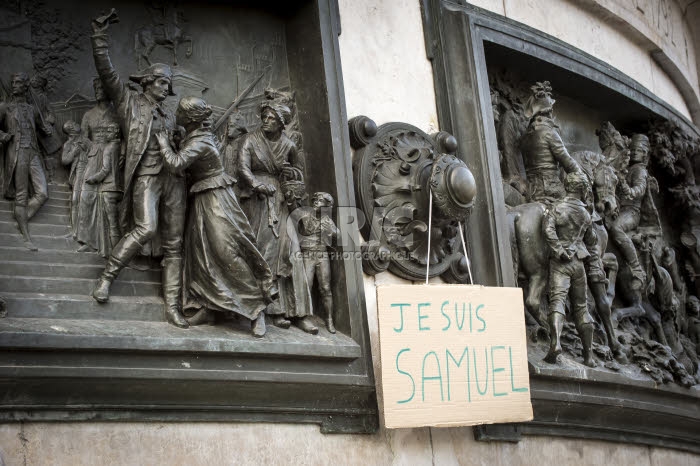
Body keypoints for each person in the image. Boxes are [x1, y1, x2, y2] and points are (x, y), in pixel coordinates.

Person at [89, 14, 188, 328]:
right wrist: (100, 36)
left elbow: (178, 143)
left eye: (168, 84)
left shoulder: (170, 114)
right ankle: (107, 277)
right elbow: (107, 72)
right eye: (161, 82)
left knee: (174, 244)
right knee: (145, 228)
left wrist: (178, 140)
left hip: (174, 180)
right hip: (146, 176)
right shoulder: (128, 102)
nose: (166, 88)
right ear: (147, 81)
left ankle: (172, 308)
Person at [155, 96, 277, 337]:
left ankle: (256, 308)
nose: (176, 114)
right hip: (203, 198)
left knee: (225, 251)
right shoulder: (195, 137)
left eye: (180, 112)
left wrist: (163, 144)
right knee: (202, 254)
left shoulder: (200, 141)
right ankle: (210, 307)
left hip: (216, 199)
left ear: (188, 118)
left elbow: (176, 164)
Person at [238, 99, 315, 333]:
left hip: (281, 199)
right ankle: (261, 310)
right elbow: (242, 168)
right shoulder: (250, 140)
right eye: (264, 116)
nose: (266, 120)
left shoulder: (289, 145)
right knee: (263, 251)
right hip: (257, 200)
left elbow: (298, 175)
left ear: (281, 123)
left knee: (290, 253)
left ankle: (294, 311)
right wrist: (257, 185)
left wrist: (291, 174)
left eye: (271, 118)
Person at [543, 171, 598, 367]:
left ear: (567, 186)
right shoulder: (585, 213)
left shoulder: (557, 208)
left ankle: (556, 343)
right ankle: (589, 356)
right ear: (582, 189)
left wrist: (558, 250)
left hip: (561, 263)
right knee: (581, 308)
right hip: (579, 264)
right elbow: (592, 240)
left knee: (557, 301)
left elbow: (548, 230)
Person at [0, 72, 51, 250]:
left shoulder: (31, 108)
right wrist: (4, 135)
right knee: (21, 193)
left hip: (33, 152)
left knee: (43, 193)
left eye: (18, 83)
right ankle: (26, 236)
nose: (14, 85)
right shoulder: (5, 107)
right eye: (13, 83)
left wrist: (47, 127)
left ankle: (22, 219)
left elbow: (41, 125)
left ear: (25, 86)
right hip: (18, 151)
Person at [520, 81, 581, 203]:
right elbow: (568, 162)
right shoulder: (549, 133)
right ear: (549, 111)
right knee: (577, 210)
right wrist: (580, 174)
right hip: (551, 189)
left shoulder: (525, 136)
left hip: (531, 190)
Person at [608, 134, 651, 284]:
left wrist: (627, 189)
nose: (634, 153)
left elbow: (640, 189)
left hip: (631, 212)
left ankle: (636, 268)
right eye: (633, 150)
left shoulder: (640, 170)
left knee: (616, 228)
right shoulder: (628, 167)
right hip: (619, 207)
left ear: (645, 153)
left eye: (638, 150)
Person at [298, 192, 339, 333]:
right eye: (315, 199)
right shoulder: (305, 215)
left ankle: (329, 320)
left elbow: (338, 235)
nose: (316, 202)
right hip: (307, 254)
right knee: (306, 286)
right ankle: (304, 317)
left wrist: (331, 231)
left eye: (320, 201)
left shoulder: (327, 220)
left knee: (325, 288)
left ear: (327, 206)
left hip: (322, 255)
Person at [61, 120, 91, 238]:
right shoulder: (68, 144)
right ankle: (75, 231)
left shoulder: (86, 141)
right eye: (73, 124)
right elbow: (65, 161)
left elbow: (95, 154)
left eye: (75, 123)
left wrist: (87, 150)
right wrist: (74, 152)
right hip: (78, 173)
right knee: (75, 200)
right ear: (70, 130)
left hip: (88, 172)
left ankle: (83, 231)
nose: (76, 124)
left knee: (84, 201)